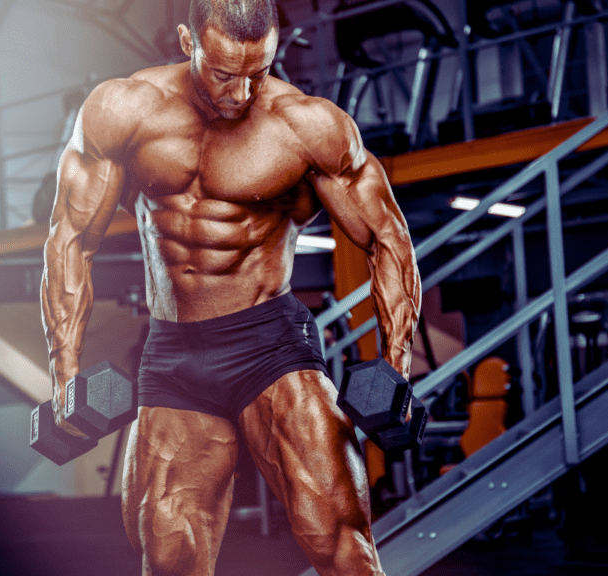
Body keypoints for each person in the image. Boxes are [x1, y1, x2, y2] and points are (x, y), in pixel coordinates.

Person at [40, 0, 421, 574]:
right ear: (187, 41)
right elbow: (70, 239)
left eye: (257, 72)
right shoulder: (124, 111)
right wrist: (64, 376)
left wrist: (395, 367)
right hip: (174, 357)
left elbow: (387, 238)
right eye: (224, 74)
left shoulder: (305, 125)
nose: (240, 94)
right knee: (169, 559)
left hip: (270, 346)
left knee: (341, 547)